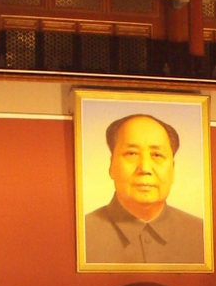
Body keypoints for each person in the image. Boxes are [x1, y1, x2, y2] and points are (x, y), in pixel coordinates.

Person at [84, 113, 205, 265]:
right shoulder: (83, 233)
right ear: (111, 166)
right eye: (132, 153)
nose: (145, 168)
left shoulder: (202, 234)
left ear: (173, 169)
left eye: (157, 155)